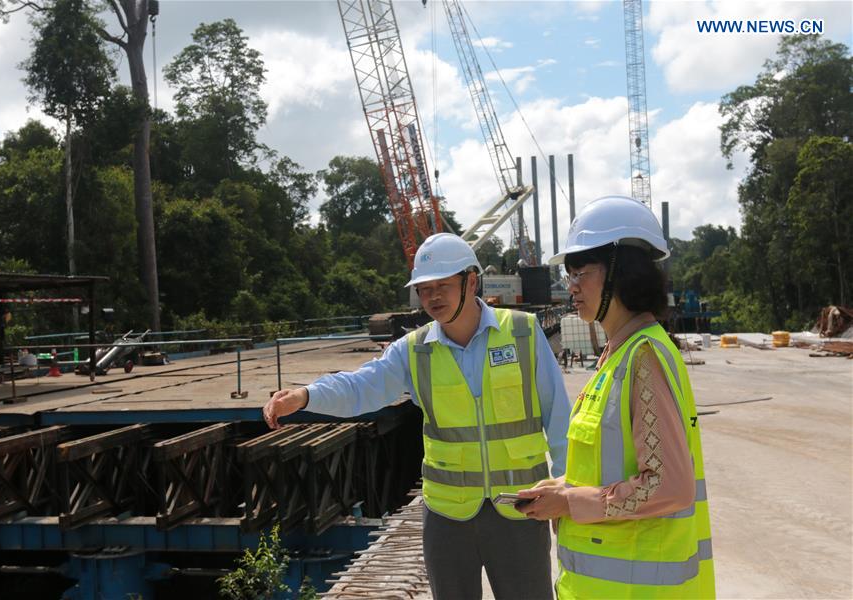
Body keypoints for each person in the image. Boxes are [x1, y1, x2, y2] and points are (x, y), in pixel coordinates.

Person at [264, 232, 571, 599]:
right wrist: (306, 395)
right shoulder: (414, 351)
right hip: (447, 518)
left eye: (443, 285)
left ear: (470, 281)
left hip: (519, 507)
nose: (433, 297)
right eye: (424, 289)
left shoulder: (521, 332)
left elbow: (559, 417)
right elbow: (362, 386)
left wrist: (567, 487)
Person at [515, 196, 715, 599]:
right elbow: (613, 466)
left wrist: (571, 502)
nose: (569, 287)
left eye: (579, 273)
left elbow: (668, 486)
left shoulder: (644, 357)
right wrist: (563, 487)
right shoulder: (617, 356)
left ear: (620, 274)